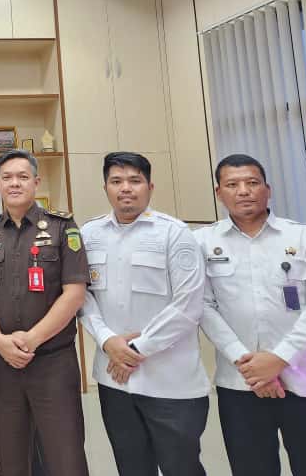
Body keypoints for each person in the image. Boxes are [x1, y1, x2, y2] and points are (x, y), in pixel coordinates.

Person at [195, 153, 306, 476]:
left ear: (268, 189)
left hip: (305, 380)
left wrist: (278, 360)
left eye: (252, 182)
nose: (243, 191)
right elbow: (202, 306)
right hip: (240, 383)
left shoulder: (305, 238)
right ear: (219, 193)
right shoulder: (202, 243)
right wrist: (250, 366)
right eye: (232, 185)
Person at [79, 152, 209, 476]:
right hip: (114, 381)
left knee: (182, 468)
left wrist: (135, 350)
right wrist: (107, 341)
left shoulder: (175, 233)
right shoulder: (89, 234)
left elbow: (188, 305)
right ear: (105, 187)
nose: (125, 188)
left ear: (150, 187)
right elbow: (82, 296)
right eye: (116, 181)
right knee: (131, 467)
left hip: (171, 381)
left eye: (135, 180)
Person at [0, 149, 90, 476]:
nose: (14, 183)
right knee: (11, 459)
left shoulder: (62, 227)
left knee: (66, 459)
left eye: (22, 177)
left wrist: (32, 340)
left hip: (53, 362)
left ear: (36, 182)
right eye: (7, 177)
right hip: (4, 362)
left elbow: (74, 292)